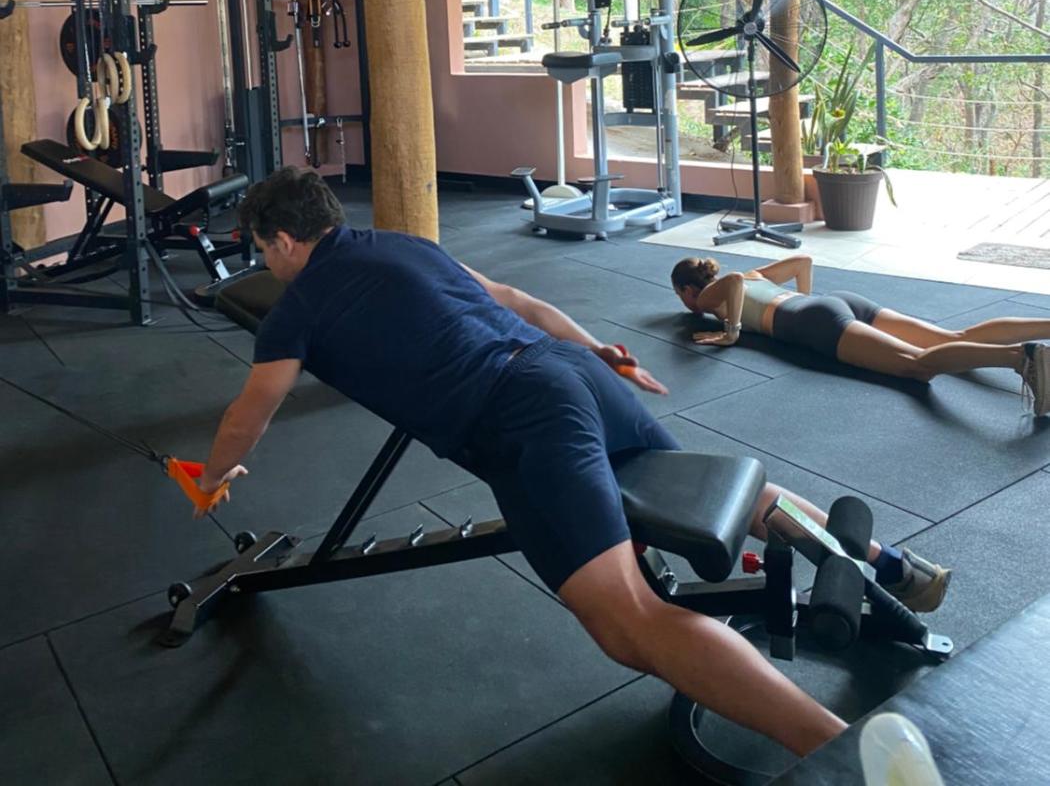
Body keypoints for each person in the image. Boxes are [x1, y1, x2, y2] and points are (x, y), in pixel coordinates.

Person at [197, 168, 952, 763]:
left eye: (265, 249)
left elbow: (250, 412)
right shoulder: (403, 244)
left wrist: (212, 477)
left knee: (627, 623)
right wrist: (600, 354)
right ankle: (895, 568)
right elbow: (514, 298)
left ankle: (843, 756)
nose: (268, 263)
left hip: (519, 419)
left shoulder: (296, 308)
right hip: (569, 370)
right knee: (717, 489)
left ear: (284, 241)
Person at [670, 254, 1050, 415]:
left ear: (687, 289)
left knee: (917, 366)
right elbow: (803, 261)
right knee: (950, 336)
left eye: (681, 296)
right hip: (835, 301)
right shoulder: (757, 275)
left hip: (814, 320)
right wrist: (807, 298)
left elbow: (733, 281)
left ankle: (1019, 357)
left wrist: (731, 332)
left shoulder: (707, 296)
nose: (688, 303)